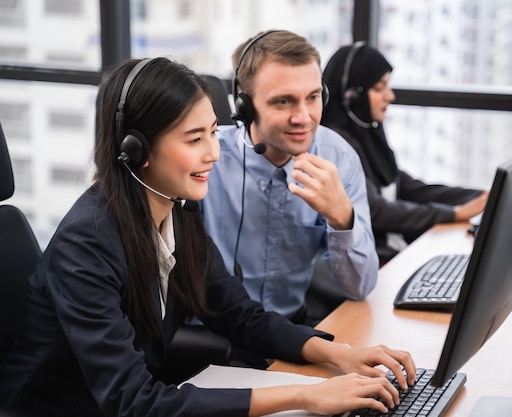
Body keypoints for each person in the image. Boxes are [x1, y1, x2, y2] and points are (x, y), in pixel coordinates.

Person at [0, 57, 416, 417]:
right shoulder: (86, 244)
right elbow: (133, 402)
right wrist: (309, 395)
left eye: (214, 132)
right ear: (137, 150)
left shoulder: (179, 210)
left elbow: (237, 313)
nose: (214, 153)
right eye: (194, 138)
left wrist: (342, 354)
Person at [201, 30, 379, 324]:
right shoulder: (208, 158)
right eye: (283, 102)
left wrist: (342, 218)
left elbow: (360, 288)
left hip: (292, 331)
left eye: (313, 97)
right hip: (213, 337)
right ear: (244, 106)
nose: (303, 117)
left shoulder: (338, 157)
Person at [322, 42, 489, 263]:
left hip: (390, 252)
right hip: (369, 263)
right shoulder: (335, 145)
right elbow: (377, 211)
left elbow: (406, 186)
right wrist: (454, 214)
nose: (390, 96)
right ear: (352, 95)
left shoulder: (367, 133)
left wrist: (481, 197)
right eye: (379, 88)